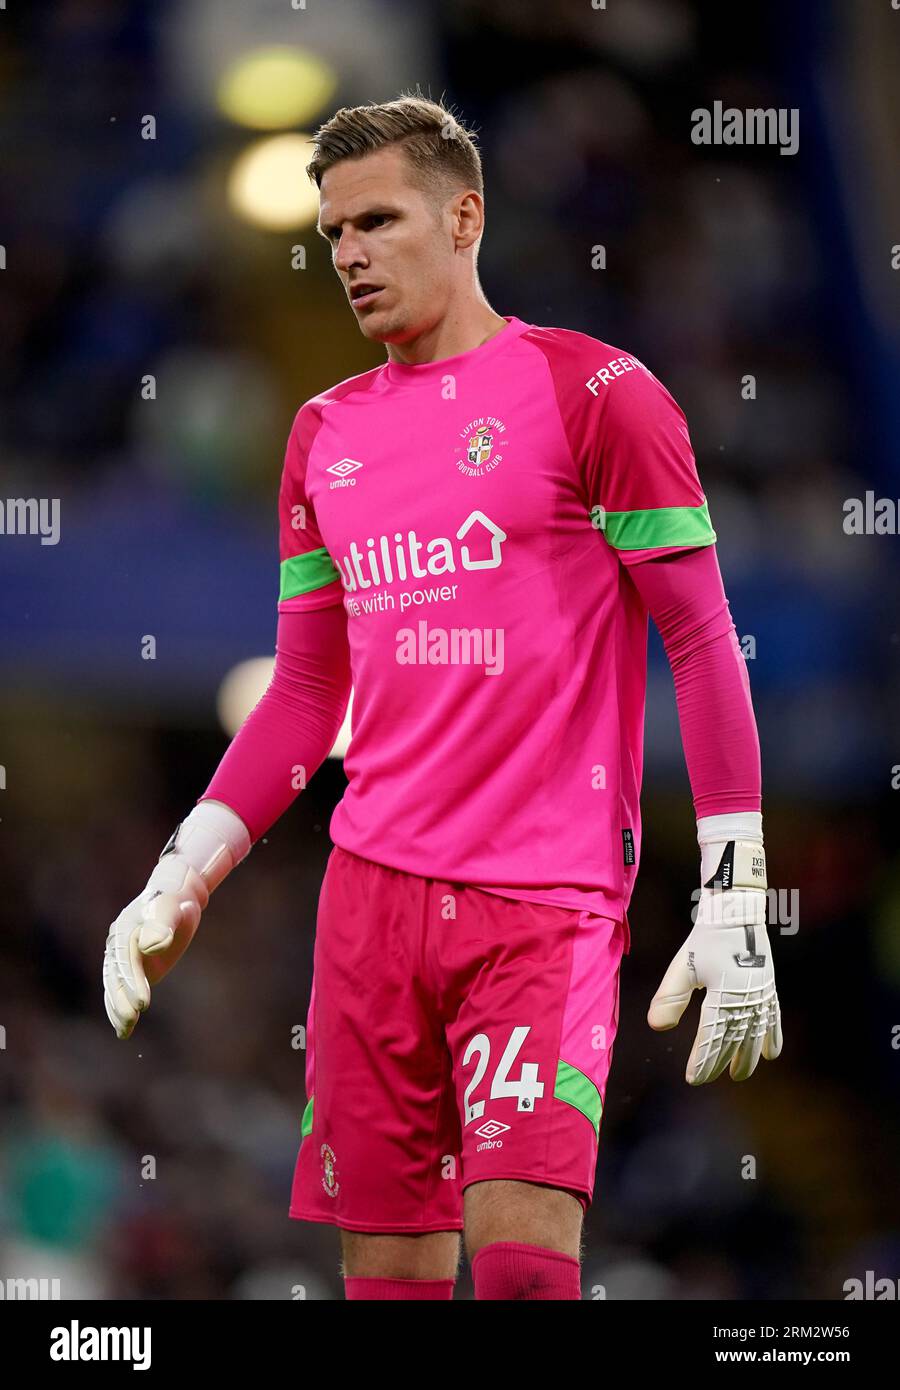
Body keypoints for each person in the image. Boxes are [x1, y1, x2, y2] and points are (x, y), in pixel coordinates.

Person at [103, 94, 782, 1302]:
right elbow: (309, 693)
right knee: (389, 1285)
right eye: (332, 232)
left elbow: (702, 639)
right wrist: (183, 868)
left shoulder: (598, 392)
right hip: (369, 908)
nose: (349, 253)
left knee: (523, 1271)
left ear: (466, 217)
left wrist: (735, 891)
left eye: (377, 219)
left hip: (545, 899)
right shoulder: (323, 436)